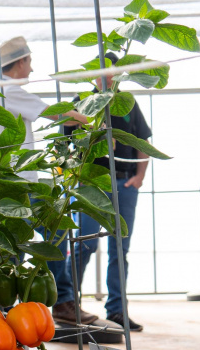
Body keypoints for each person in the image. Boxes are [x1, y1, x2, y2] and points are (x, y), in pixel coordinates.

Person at [0, 36, 99, 325]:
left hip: (12, 181)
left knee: (13, 244)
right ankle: (59, 303)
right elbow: (57, 116)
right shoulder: (9, 90)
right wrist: (92, 120)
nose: (32, 67)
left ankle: (5, 310)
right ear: (20, 62)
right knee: (53, 233)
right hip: (20, 183)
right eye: (29, 61)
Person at [64, 52, 150, 331]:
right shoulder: (82, 103)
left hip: (125, 183)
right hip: (92, 183)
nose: (107, 75)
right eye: (101, 70)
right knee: (85, 243)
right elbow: (64, 142)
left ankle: (116, 310)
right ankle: (65, 303)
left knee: (119, 249)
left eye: (112, 71)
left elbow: (142, 140)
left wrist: (139, 177)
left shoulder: (126, 102)